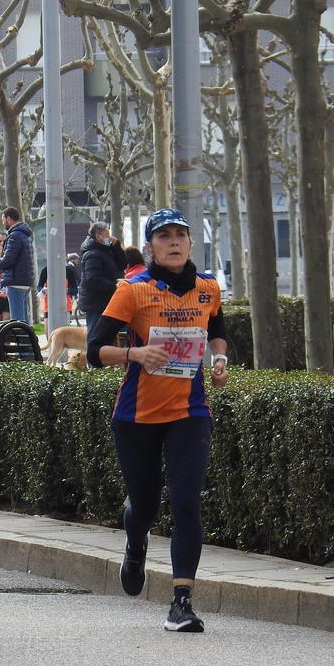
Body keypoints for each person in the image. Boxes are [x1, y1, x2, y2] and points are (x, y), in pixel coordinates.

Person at [86, 208, 229, 634]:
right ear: (150, 246)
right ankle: (135, 541)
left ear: (189, 243)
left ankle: (181, 602)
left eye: (180, 235)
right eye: (163, 236)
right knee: (145, 505)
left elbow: (217, 327)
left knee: (187, 502)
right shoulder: (133, 290)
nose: (173, 242)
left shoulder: (207, 288)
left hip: (190, 413)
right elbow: (95, 352)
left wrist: (219, 358)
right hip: (137, 416)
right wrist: (136, 354)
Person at [77, 221, 126, 339]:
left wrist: (116, 246)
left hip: (106, 300)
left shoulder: (106, 250)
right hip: (96, 302)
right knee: (95, 335)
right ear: (99, 236)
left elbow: (123, 264)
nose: (110, 238)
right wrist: (115, 286)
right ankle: (93, 358)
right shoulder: (92, 254)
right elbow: (93, 279)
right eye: (107, 235)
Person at [0, 207, 35, 324]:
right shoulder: (25, 234)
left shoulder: (14, 236)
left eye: (3, 219)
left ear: (9, 219)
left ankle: (22, 341)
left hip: (16, 281)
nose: (3, 222)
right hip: (25, 281)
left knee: (17, 321)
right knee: (24, 320)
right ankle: (28, 341)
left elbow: (8, 260)